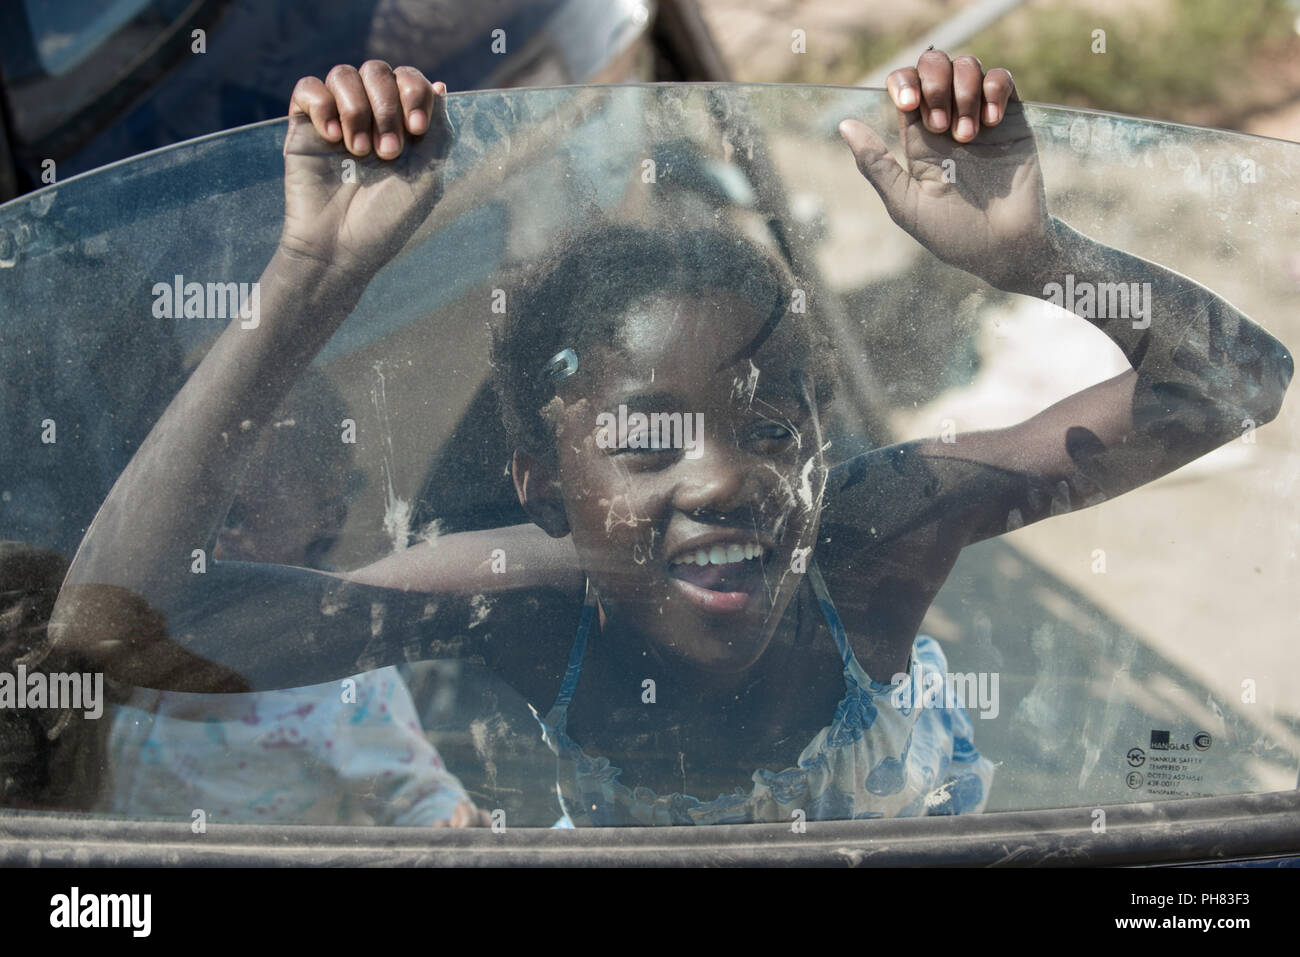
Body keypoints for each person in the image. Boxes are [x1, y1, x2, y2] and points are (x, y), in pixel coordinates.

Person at [50, 53, 1293, 826]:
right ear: (540, 485)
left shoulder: (880, 534)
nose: (723, 480)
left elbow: (1236, 384)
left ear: (820, 444)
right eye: (646, 442)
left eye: (767, 429)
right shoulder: (518, 602)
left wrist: (1037, 258)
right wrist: (312, 270)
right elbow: (114, 629)